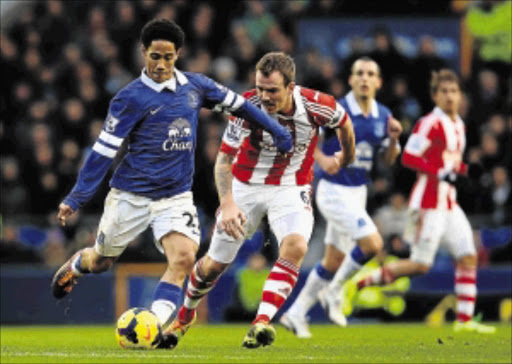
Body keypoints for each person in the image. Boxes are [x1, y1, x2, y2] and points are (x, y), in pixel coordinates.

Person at [50, 19, 293, 348]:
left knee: (182, 260)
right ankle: (80, 262)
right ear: (143, 53)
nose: (161, 64)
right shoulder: (128, 99)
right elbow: (102, 152)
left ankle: (151, 325)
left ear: (178, 54)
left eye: (168, 56)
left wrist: (277, 130)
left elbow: (243, 106)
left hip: (175, 198)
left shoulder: (196, 87)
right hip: (130, 196)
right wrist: (77, 197)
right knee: (103, 261)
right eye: (155, 56)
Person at [166, 52, 355, 349]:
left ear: (291, 87)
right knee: (214, 266)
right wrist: (227, 203)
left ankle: (261, 323)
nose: (264, 96)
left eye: (272, 90)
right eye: (260, 88)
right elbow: (224, 160)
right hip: (245, 187)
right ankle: (185, 315)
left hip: (292, 187)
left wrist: (346, 156)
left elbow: (345, 124)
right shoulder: (247, 107)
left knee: (296, 246)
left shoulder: (318, 104)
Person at [356, 69, 496, 334]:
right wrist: (440, 171)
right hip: (427, 205)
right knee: (421, 265)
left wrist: (467, 170)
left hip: (449, 204)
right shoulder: (430, 123)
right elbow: (408, 156)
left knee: (468, 256)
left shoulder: (459, 125)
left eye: (454, 91)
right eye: (444, 91)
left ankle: (464, 322)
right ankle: (365, 280)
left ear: (460, 95)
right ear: (435, 95)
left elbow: (448, 165)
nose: (450, 96)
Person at [280, 57, 403, 338]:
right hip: (333, 191)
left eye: (370, 73)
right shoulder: (337, 109)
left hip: (358, 191)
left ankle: (295, 313)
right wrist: (322, 161)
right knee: (373, 244)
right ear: (351, 79)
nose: (364, 78)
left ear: (378, 81)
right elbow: (309, 143)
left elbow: (388, 160)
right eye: (359, 73)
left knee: (333, 261)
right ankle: (336, 291)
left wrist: (395, 139)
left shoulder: (382, 114)